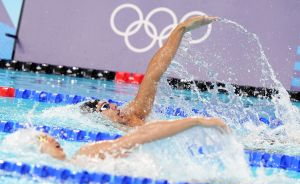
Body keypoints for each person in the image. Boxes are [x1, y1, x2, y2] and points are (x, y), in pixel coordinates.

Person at [80, 16, 218, 127]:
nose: (114, 105)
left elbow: (153, 74)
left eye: (109, 103)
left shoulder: (133, 113)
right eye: (105, 106)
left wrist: (181, 29)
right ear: (96, 118)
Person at [35, 117, 229, 161]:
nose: (52, 139)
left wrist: (195, 122)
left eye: (49, 136)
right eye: (44, 140)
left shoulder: (85, 154)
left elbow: (140, 135)